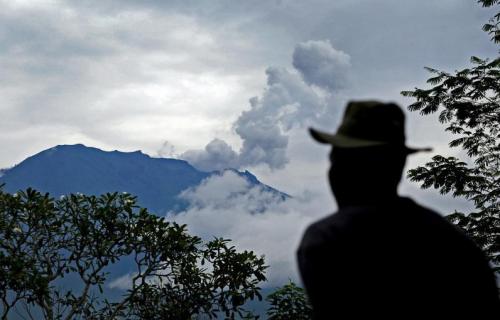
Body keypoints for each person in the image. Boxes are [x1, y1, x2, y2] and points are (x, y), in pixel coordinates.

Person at [297, 100, 499, 318]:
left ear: (342, 168)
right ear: (399, 165)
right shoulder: (456, 245)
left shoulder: (329, 240)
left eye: (336, 159)